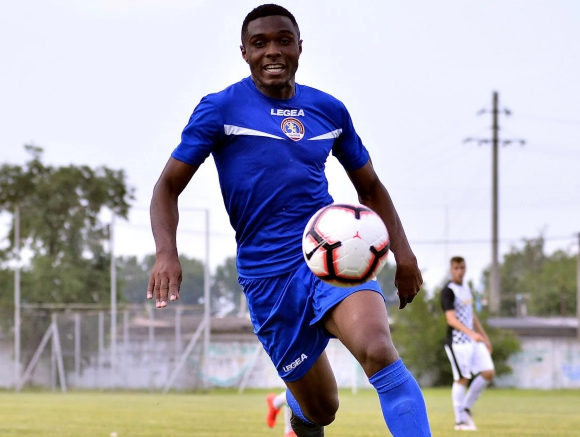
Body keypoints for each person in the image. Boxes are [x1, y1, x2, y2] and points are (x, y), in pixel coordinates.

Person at [147, 4, 431, 436]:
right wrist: (166, 253)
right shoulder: (220, 109)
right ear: (244, 52)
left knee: (378, 351)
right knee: (322, 409)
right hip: (267, 277)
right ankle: (299, 414)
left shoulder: (328, 110)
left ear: (300, 47)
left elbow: (370, 187)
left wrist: (404, 255)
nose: (272, 51)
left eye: (283, 41)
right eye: (259, 43)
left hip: (332, 254)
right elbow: (166, 187)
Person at [440, 256, 495, 431]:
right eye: (456, 268)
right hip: (457, 342)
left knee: (488, 372)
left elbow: (471, 315)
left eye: (462, 268)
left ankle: (466, 407)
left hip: (473, 340)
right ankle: (460, 421)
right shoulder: (448, 291)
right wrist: (471, 334)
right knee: (462, 379)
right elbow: (451, 319)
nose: (459, 271)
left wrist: (484, 337)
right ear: (451, 270)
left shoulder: (466, 289)